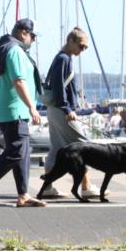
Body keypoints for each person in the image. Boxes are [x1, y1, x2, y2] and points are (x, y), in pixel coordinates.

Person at [0, 19, 46, 209]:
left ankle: (23, 195)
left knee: (23, 151)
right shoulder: (15, 51)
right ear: (23, 33)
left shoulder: (4, 48)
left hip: (8, 109)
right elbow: (18, 81)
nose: (34, 40)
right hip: (15, 110)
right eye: (33, 36)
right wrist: (32, 106)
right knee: (16, 150)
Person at [38, 27, 99, 200]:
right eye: (81, 46)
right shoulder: (63, 59)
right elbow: (58, 88)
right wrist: (68, 109)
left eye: (85, 47)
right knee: (83, 146)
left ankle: (48, 186)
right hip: (62, 110)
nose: (83, 50)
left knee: (57, 148)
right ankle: (86, 187)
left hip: (56, 109)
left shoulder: (63, 58)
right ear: (70, 41)